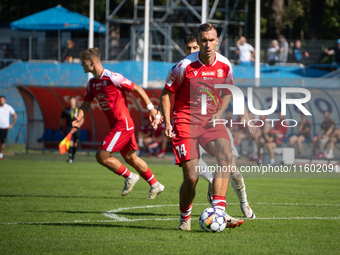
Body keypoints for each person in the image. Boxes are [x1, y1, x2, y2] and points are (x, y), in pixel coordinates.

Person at [153, 23, 256, 230]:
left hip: (211, 120)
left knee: (226, 156)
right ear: (198, 42)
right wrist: (166, 121)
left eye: (211, 40)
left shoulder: (225, 65)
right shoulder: (184, 66)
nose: (207, 44)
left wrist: (219, 113)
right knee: (191, 177)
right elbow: (166, 94)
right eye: (203, 40)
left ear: (217, 41)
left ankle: (218, 213)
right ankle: (185, 219)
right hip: (185, 121)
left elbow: (228, 92)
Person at [73, 48, 164, 199]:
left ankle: (130, 177)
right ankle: (155, 184)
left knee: (101, 156)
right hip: (118, 125)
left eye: (83, 62)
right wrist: (78, 118)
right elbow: (85, 105)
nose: (81, 65)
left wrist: (151, 109)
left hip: (123, 124)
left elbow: (137, 89)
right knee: (131, 158)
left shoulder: (113, 78)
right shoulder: (92, 83)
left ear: (92, 62)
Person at [60, 96, 84, 163]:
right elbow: (62, 119)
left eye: (73, 101)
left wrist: (77, 126)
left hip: (77, 129)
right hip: (69, 129)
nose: (71, 102)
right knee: (70, 142)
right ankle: (70, 157)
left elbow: (82, 119)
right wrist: (61, 128)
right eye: (70, 101)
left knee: (75, 143)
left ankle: (73, 156)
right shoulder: (66, 110)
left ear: (75, 102)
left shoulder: (78, 110)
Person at [0, 95, 17, 161]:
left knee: (3, 142)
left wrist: (11, 124)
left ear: (5, 100)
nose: (1, 101)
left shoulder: (8, 107)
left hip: (4, 127)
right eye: (0, 100)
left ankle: (1, 156)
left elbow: (15, 116)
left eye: (2, 100)